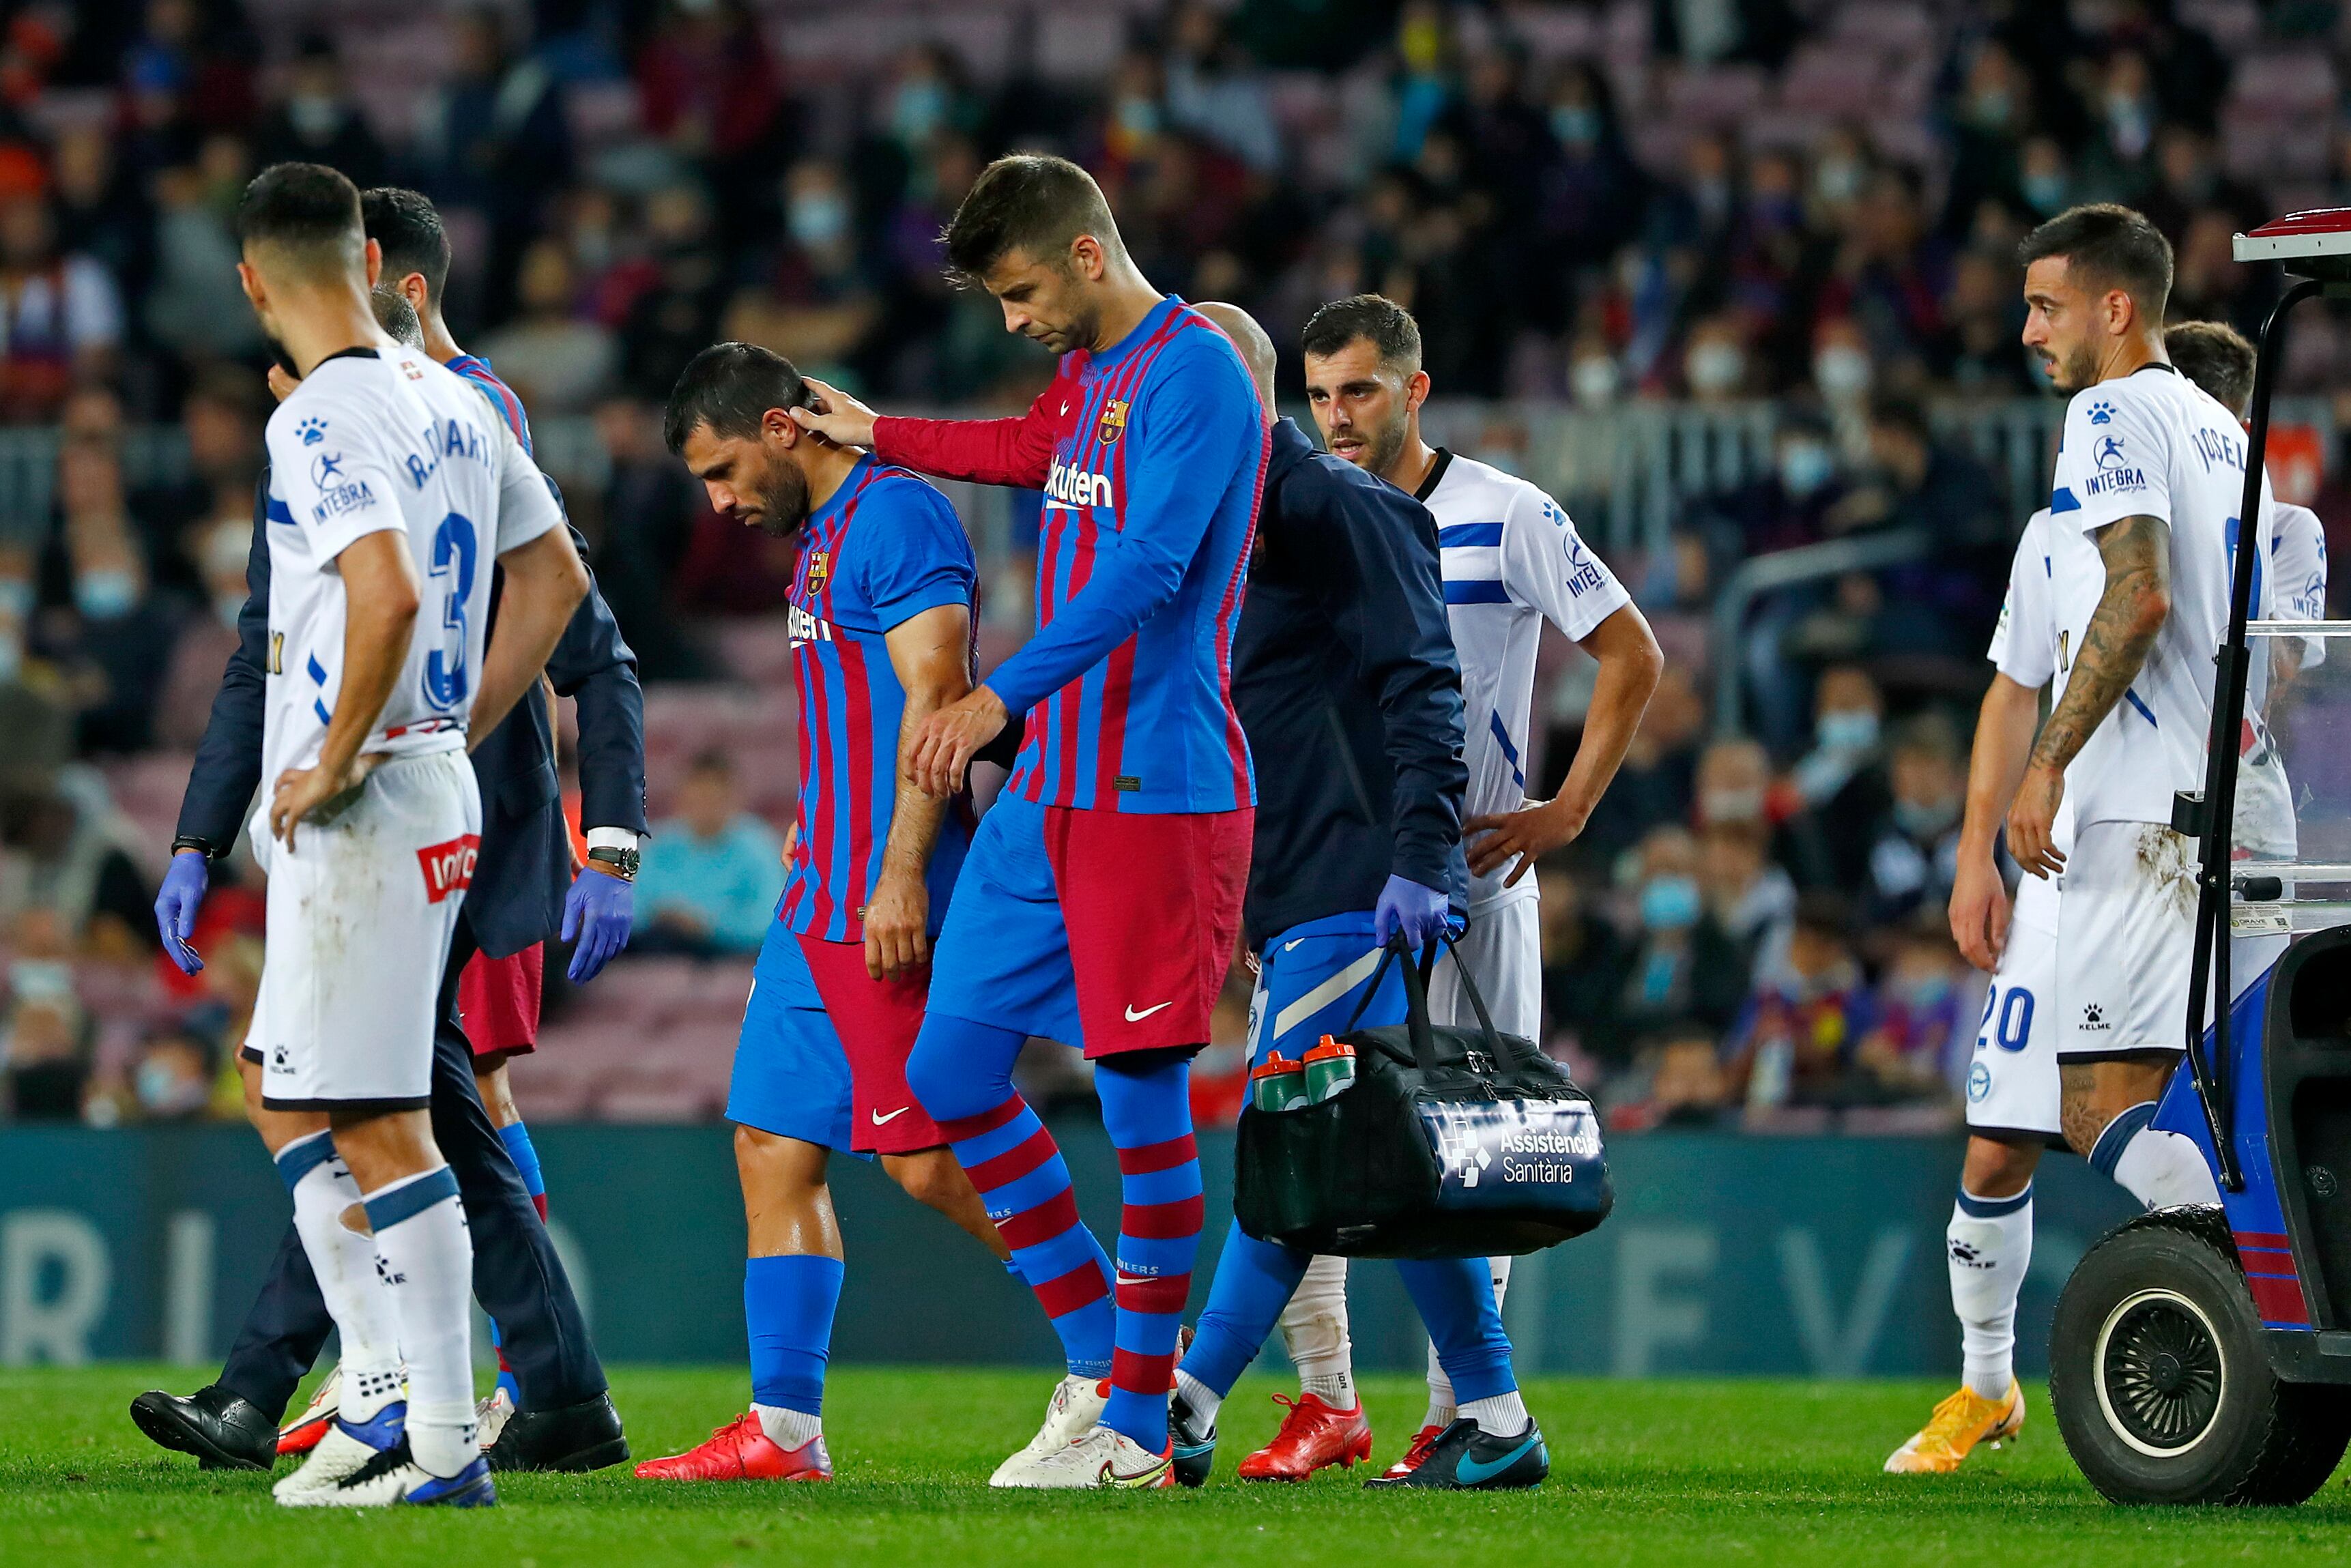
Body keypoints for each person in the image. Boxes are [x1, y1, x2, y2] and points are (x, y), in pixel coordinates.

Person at [134, 188, 646, 1475]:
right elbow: (559, 581)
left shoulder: (319, 412)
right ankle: (384, 1389)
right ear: (368, 265)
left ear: (254, 282)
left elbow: (386, 586)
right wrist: (447, 720)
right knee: (294, 1084)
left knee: (379, 1112)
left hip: (369, 805)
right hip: (432, 787)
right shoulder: (464, 402)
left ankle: (416, 1419)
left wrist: (358, 747)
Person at [791, 154, 1264, 1489]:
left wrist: (995, 698)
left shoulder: (1196, 376)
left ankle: (1130, 1432)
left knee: (1144, 1103)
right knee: (945, 1080)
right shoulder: (1091, 382)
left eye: (1017, 294)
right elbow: (1021, 451)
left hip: (1154, 793)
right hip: (1052, 791)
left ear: (1084, 256)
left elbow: (1154, 571)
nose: (1013, 323)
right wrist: (877, 432)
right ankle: (1116, 1366)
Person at [1886, 310, 2326, 1476]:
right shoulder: (2052, 533)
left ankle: (2256, 1285)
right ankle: (1985, 1388)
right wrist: (1977, 849)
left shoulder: (2277, 522)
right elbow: (2008, 689)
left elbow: (2276, 671)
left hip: (2171, 839)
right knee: (1998, 1142)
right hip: (2056, 858)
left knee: (2179, 1097)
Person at [1157, 305, 1549, 1491]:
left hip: (1353, 879)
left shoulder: (1342, 505)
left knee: (1294, 1149)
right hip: (1298, 883)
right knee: (1375, 1163)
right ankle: (1494, 1414)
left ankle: (1182, 1398)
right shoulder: (1250, 521)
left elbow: (1424, 683)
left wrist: (1424, 857)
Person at [1271, 293, 1660, 1480]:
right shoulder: (1307, 524)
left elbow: (1633, 652)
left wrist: (1568, 809)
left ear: (1415, 388)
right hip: (1338, 877)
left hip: (1479, 880)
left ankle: (1460, 1413)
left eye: (1361, 391)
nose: (1337, 417)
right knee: (1308, 1134)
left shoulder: (1508, 512)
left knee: (1476, 1154)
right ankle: (1326, 1400)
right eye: (1321, 394)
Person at [632, 342, 1025, 1483]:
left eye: (721, 469)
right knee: (770, 1141)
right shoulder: (820, 541)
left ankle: (1140, 1358)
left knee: (927, 1162)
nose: (719, 500)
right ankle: (785, 1428)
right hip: (820, 894)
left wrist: (901, 871)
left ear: (780, 425)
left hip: (887, 897)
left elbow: (939, 704)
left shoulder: (898, 518)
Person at [631, 751, 784, 956]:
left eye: (714, 798)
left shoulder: (758, 848)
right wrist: (661, 916)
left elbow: (768, 920)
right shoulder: (660, 845)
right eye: (698, 796)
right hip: (661, 945)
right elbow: (631, 903)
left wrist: (709, 926)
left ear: (734, 798)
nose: (705, 806)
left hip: (731, 953)